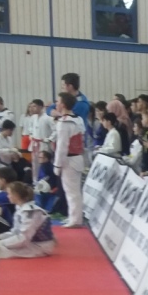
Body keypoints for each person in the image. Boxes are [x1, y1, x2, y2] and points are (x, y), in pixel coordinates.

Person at [54, 92, 85, 228]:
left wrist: (57, 165)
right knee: (74, 190)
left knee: (71, 191)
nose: (56, 104)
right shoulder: (78, 119)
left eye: (58, 101)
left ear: (63, 104)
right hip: (77, 158)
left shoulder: (64, 123)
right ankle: (74, 216)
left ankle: (75, 219)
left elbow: (62, 146)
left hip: (69, 159)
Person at [33, 150, 62, 215]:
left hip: (48, 190)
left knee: (41, 208)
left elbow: (54, 179)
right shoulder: (44, 166)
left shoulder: (48, 168)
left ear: (46, 158)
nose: (39, 159)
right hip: (47, 190)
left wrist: (54, 188)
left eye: (41, 157)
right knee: (45, 209)